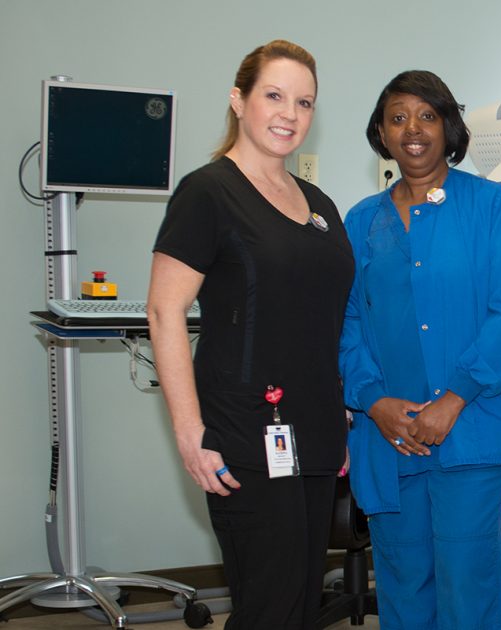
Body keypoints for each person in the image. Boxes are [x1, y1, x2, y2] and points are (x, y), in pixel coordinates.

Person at [146, 40, 353, 629]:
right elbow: (164, 313)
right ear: (239, 101)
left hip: (313, 427)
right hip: (244, 429)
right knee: (268, 605)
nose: (290, 113)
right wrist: (190, 432)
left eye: (305, 102)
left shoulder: (318, 204)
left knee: (301, 601)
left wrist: (338, 402)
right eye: (274, 96)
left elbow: (323, 312)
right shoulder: (208, 192)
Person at [339, 70, 501, 629]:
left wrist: (455, 396)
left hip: (472, 430)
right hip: (390, 436)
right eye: (398, 118)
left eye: (427, 116)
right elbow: (347, 320)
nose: (413, 130)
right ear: (381, 132)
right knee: (402, 586)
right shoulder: (361, 221)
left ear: (449, 127)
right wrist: (374, 401)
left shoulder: (491, 207)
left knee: (467, 585)